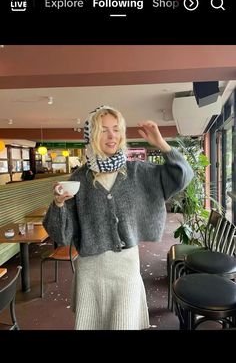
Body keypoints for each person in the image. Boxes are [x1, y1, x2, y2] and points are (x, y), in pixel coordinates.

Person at [43, 105, 194, 330]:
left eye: (116, 129)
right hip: (91, 270)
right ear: (92, 135)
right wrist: (58, 204)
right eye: (104, 130)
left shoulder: (137, 172)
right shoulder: (79, 180)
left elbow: (182, 176)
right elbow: (61, 234)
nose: (112, 135)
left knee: (124, 323)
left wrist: (162, 145)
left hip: (126, 267)